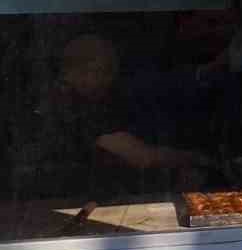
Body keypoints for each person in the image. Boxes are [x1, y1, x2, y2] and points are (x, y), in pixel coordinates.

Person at [16, 33, 213, 201]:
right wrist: (193, 158)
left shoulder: (56, 98)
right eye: (106, 70)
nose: (111, 79)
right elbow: (140, 156)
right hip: (56, 200)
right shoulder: (74, 107)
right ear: (83, 71)